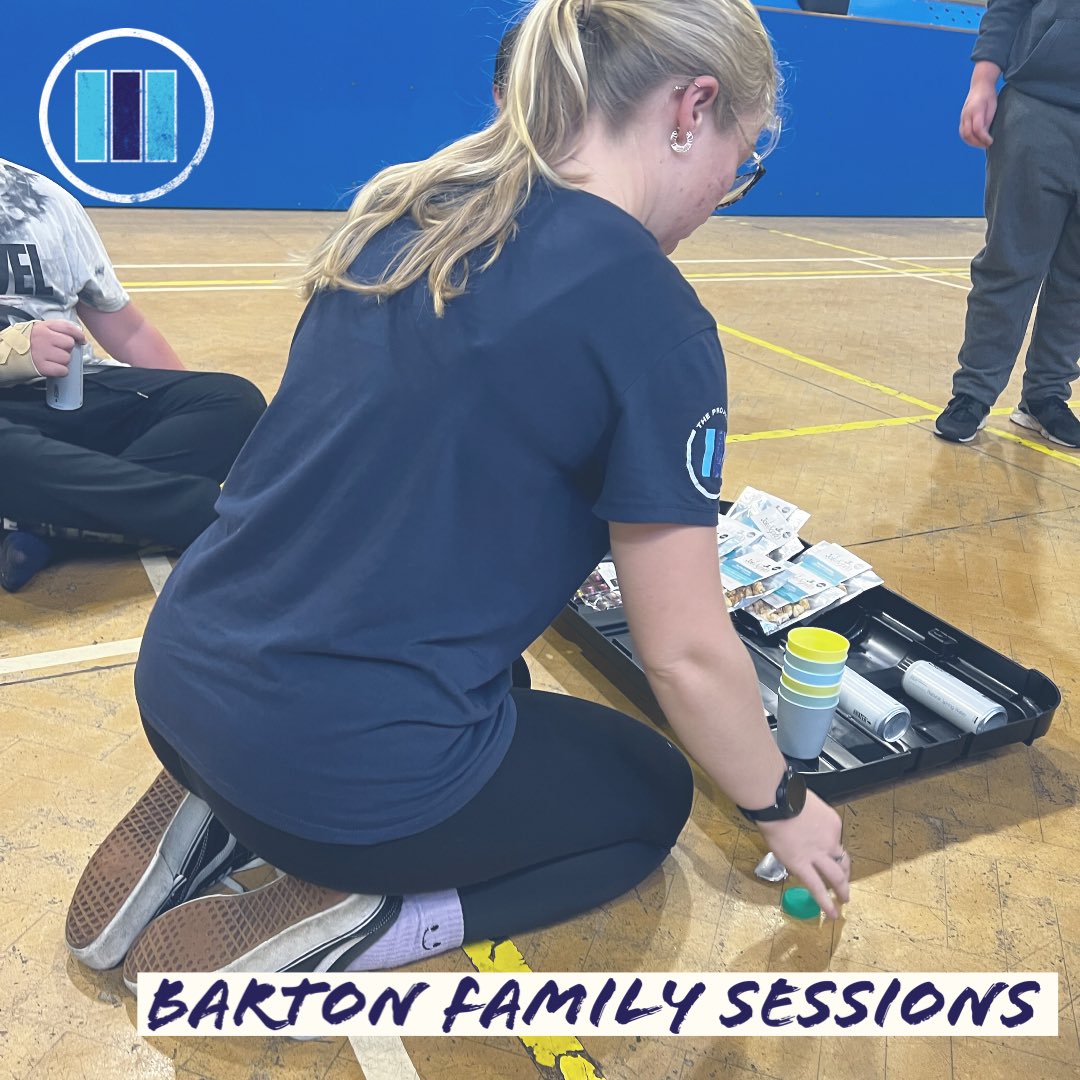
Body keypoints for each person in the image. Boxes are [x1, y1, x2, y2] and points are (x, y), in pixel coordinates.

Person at [67, 0, 849, 985]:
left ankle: (212, 806)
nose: (721, 196)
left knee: (503, 685)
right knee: (649, 794)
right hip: (335, 764)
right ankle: (355, 915)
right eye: (740, 161)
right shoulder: (654, 317)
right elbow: (688, 655)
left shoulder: (408, 216)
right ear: (691, 107)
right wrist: (785, 804)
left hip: (183, 681)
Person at [0, 158, 266, 591]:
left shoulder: (44, 199)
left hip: (67, 397)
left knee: (233, 401)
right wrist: (12, 351)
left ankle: (47, 527)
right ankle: (204, 515)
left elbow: (128, 328)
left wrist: (181, 400)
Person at [934, 0, 1080, 446]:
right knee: (1009, 262)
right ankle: (973, 394)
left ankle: (1045, 396)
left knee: (1077, 279)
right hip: (1039, 108)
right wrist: (983, 83)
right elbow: (1008, 8)